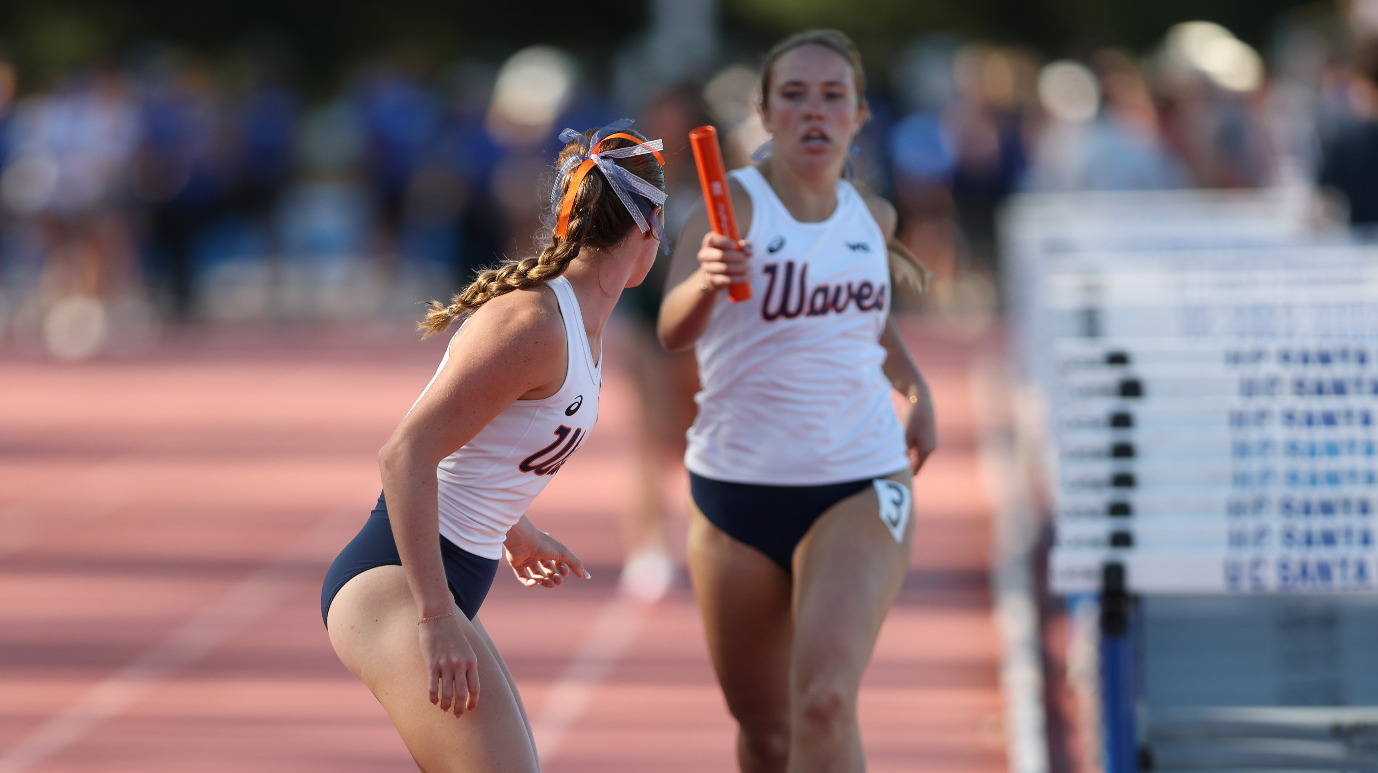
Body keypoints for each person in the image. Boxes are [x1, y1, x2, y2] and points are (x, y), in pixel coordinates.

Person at [321, 119, 667, 773]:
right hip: (396, 580)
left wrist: (516, 528)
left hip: (441, 578)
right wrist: (432, 615)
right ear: (648, 230)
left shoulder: (580, 323)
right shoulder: (535, 323)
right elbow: (405, 454)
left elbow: (482, 447)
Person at [656, 29, 938, 772]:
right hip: (735, 490)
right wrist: (708, 280)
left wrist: (912, 382)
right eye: (795, 95)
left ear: (860, 115)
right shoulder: (728, 212)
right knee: (768, 732)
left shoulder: (871, 217)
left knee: (824, 701)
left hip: (858, 478)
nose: (814, 111)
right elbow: (672, 330)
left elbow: (865, 316)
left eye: (832, 95)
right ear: (765, 111)